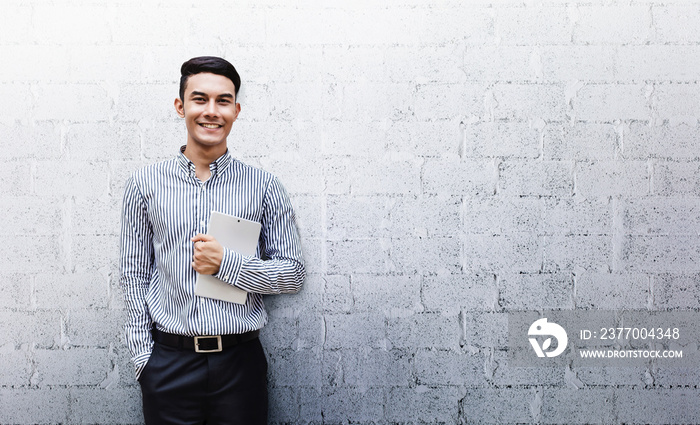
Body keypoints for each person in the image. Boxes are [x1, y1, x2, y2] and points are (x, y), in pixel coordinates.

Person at [119, 56, 305, 425]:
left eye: (223, 101)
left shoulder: (264, 186)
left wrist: (227, 265)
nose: (211, 111)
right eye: (200, 99)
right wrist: (145, 361)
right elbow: (132, 275)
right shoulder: (145, 184)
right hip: (168, 364)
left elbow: (293, 274)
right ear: (180, 106)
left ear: (236, 110)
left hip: (240, 363)